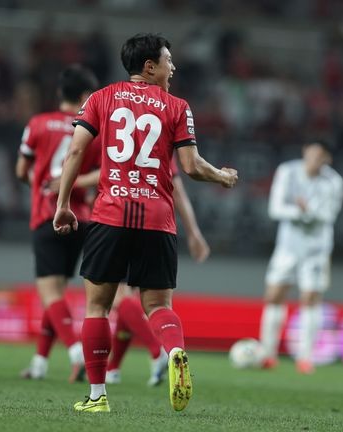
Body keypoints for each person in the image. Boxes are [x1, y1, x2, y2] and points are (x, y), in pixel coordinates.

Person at [54, 33, 238, 413]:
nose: (174, 67)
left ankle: (97, 396)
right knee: (157, 304)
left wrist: (63, 204)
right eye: (169, 60)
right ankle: (173, 351)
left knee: (98, 307)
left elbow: (75, 150)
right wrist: (221, 176)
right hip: (157, 217)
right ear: (150, 66)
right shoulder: (177, 107)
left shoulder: (100, 98)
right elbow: (189, 167)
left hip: (110, 214)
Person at [15, 64, 101, 382]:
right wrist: (79, 186)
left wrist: (39, 186)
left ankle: (77, 355)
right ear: (83, 96)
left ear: (58, 94)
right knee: (59, 295)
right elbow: (105, 173)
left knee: (50, 295)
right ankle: (39, 363)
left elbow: (21, 171)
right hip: (82, 220)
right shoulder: (93, 130)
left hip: (47, 216)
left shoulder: (37, 124)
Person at [105, 161, 210, 386]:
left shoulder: (110, 129)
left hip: (118, 215)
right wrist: (193, 232)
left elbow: (93, 167)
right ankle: (114, 369)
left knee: (120, 299)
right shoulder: (160, 133)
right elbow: (178, 187)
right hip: (158, 222)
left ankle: (157, 353)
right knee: (151, 303)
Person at [259, 140, 343, 374]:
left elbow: (329, 215)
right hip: (287, 246)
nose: (314, 159)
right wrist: (303, 212)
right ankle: (267, 355)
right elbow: (275, 209)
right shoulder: (287, 171)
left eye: (320, 155)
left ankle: (305, 358)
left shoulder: (333, 181)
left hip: (316, 249)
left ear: (327, 158)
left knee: (310, 298)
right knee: (274, 295)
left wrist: (305, 212)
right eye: (311, 153)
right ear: (305, 151)